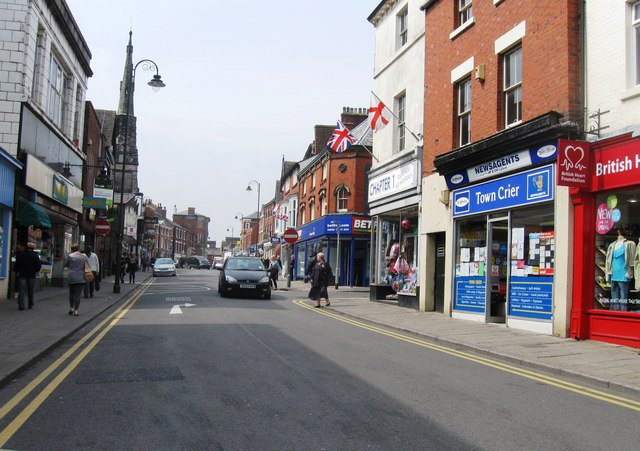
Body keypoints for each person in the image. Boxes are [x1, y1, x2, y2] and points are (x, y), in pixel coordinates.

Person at [605, 228, 636, 311]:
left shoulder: (630, 244)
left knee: (623, 297)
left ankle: (623, 313)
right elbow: (608, 261)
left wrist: (630, 272)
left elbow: (633, 260)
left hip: (624, 273)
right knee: (614, 296)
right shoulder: (612, 245)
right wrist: (608, 273)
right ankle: (614, 312)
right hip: (614, 273)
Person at [15, 242, 42, 310]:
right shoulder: (35, 256)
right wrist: (34, 271)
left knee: (21, 290)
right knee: (30, 290)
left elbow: (17, 264)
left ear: (26, 248)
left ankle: (21, 305)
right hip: (31, 275)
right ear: (33, 248)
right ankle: (30, 303)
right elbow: (38, 267)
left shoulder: (21, 255)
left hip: (22, 274)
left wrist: (16, 271)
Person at [65, 244, 88, 316]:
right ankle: (76, 311)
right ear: (78, 249)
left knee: (71, 293)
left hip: (71, 276)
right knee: (78, 294)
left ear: (72, 249)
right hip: (80, 277)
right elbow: (87, 266)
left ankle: (71, 308)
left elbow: (67, 265)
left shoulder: (70, 256)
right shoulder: (83, 256)